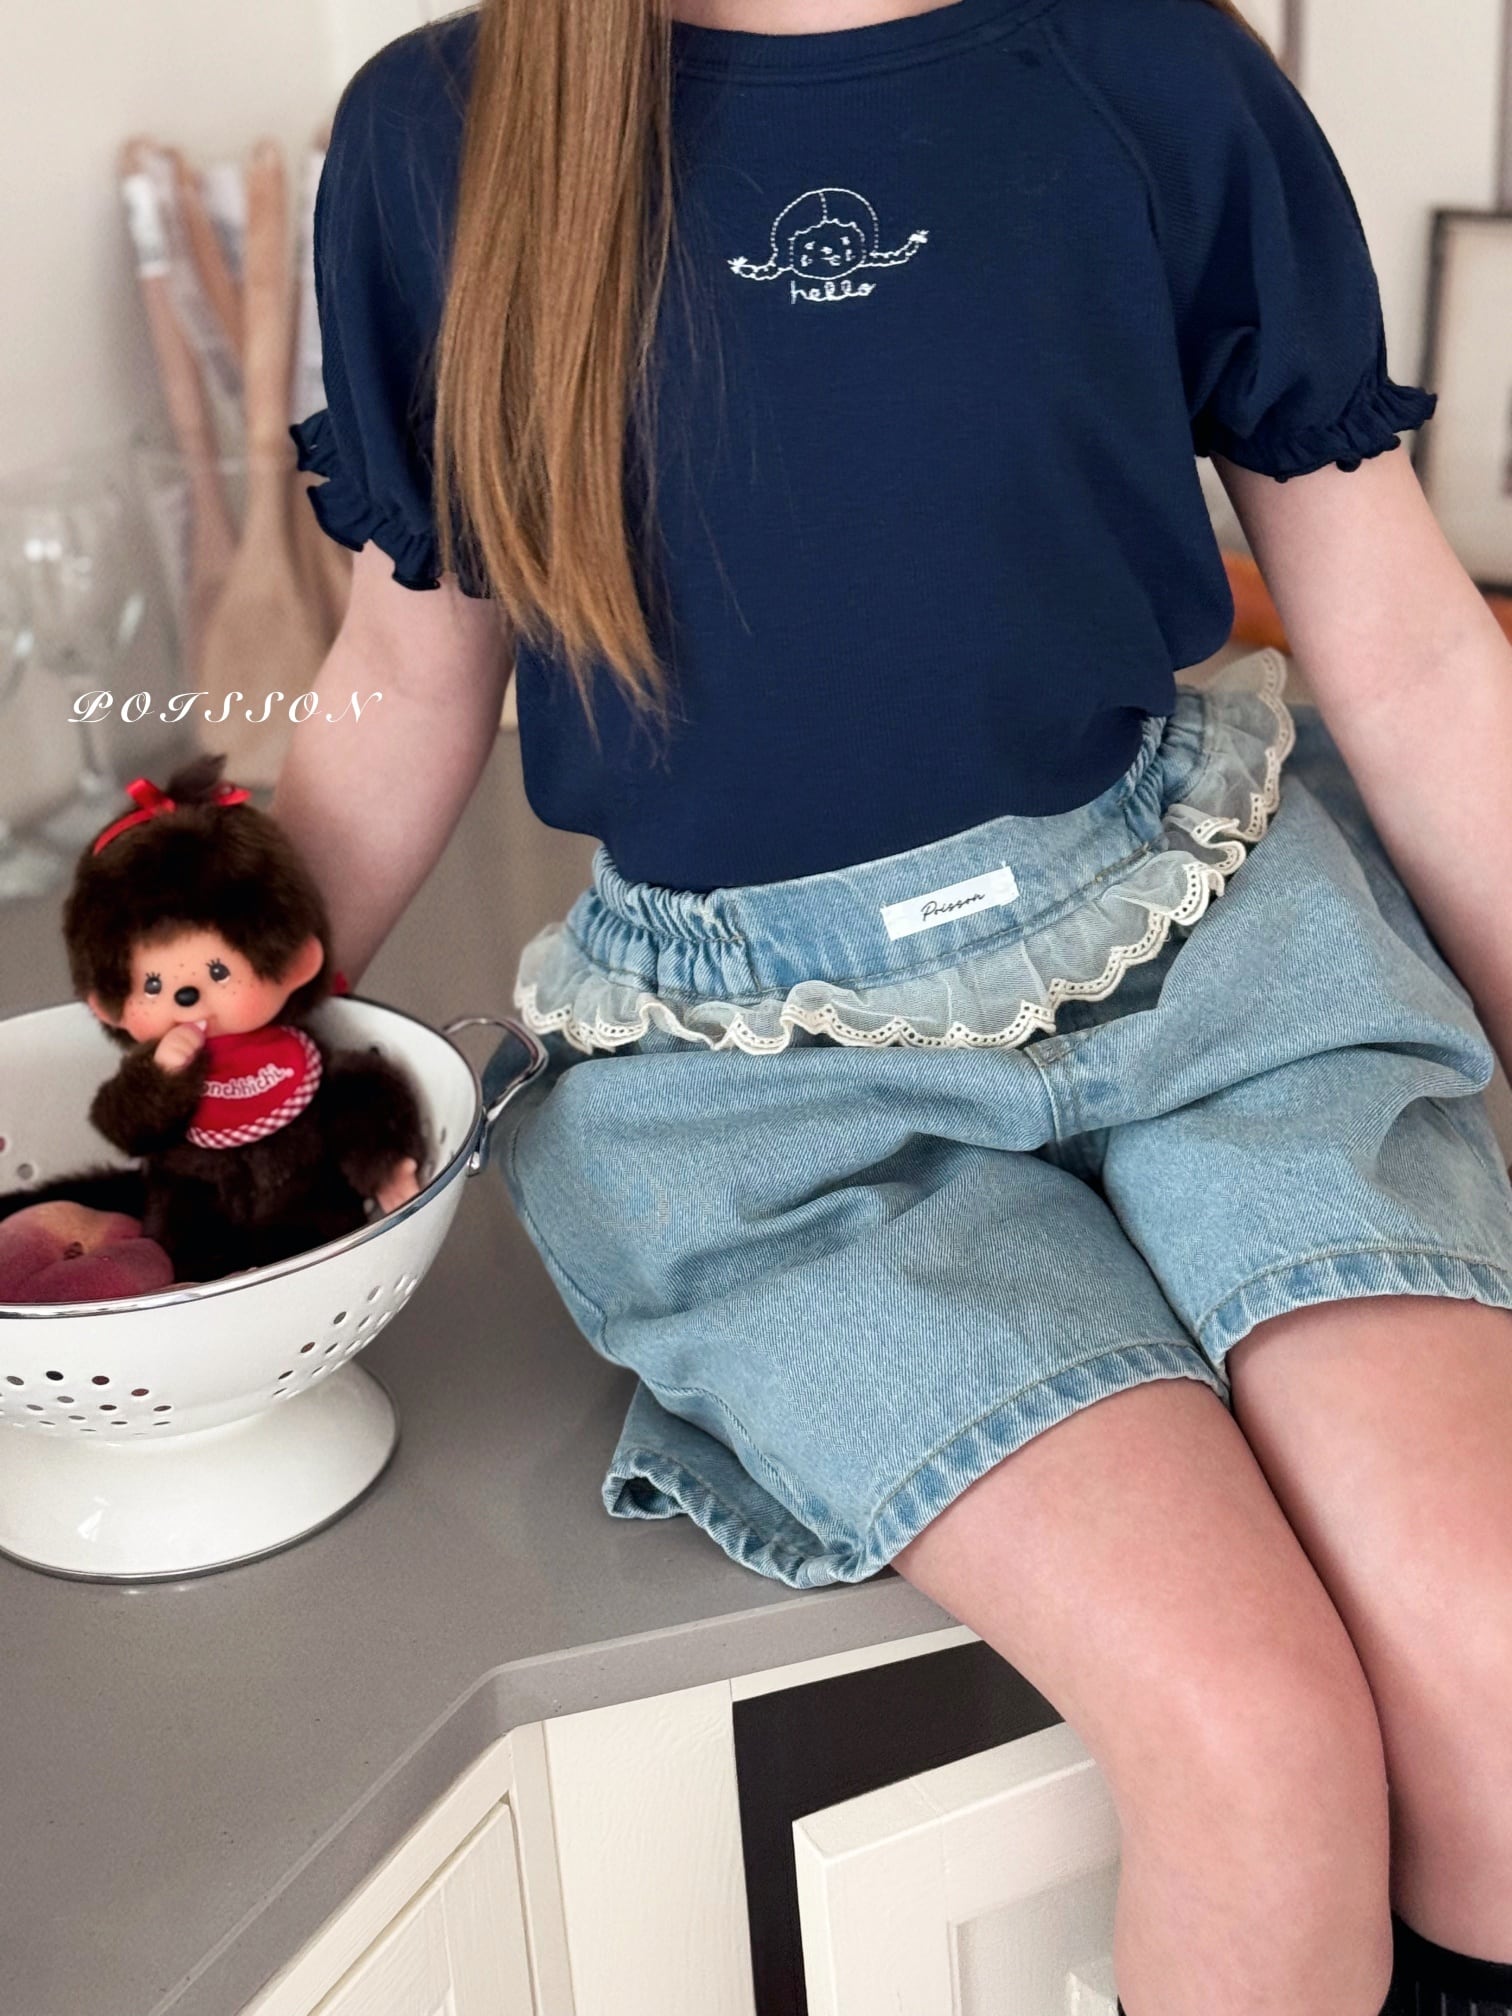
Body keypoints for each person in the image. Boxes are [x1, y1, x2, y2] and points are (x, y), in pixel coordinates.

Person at [274, 2, 1512, 2008]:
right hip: (763, 1095)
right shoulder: (448, 131)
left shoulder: (1153, 64)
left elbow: (1416, 653)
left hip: (1210, 943)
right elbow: (405, 675)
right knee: (1255, 1742)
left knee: (1497, 1650)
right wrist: (197, 1053)